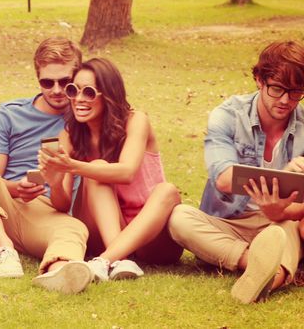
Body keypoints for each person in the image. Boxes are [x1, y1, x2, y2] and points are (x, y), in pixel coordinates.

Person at [168, 40, 304, 304]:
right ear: (258, 79)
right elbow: (224, 177)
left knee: (286, 229)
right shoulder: (228, 115)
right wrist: (282, 176)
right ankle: (255, 264)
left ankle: (270, 277)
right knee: (179, 217)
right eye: (277, 88)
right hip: (229, 222)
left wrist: (278, 211)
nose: (286, 100)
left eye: (296, 91)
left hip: (279, 222)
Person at [0, 37, 92, 293]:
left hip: (47, 214)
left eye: (65, 81)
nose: (57, 90)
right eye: (47, 82)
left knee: (73, 228)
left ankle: (60, 271)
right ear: (38, 78)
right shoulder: (10, 113)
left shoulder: (86, 118)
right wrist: (16, 188)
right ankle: (2, 245)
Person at [38, 58, 183, 281]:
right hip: (103, 231)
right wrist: (55, 181)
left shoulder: (136, 121)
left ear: (108, 95)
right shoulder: (69, 135)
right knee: (96, 168)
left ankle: (107, 260)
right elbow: (63, 205)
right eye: (73, 90)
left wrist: (74, 166)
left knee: (168, 191)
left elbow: (127, 172)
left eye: (88, 92)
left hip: (149, 233)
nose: (78, 99)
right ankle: (117, 259)